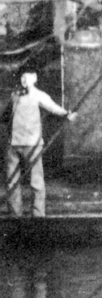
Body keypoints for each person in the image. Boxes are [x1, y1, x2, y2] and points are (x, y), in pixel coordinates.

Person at [3, 66, 77, 216]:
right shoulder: (14, 95)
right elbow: (6, 116)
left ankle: (38, 215)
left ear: (34, 78)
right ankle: (14, 215)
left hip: (33, 143)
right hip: (14, 144)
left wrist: (66, 114)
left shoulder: (39, 95)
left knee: (36, 181)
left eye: (28, 77)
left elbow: (53, 108)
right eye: (22, 77)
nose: (24, 80)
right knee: (11, 181)